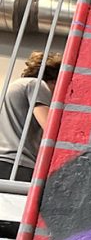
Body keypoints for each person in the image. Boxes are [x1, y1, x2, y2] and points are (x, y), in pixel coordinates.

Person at [0, 51, 60, 182]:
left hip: (5, 161)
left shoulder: (15, 86)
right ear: (55, 80)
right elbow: (50, 128)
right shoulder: (37, 85)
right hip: (18, 164)